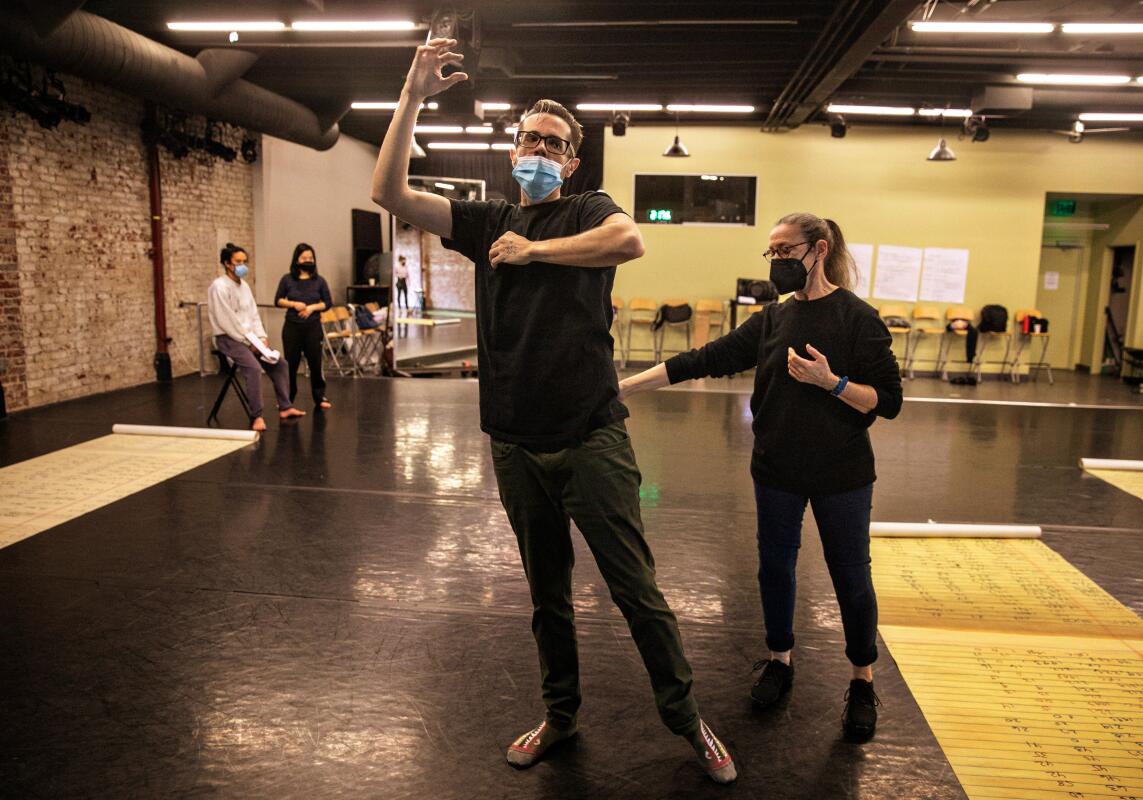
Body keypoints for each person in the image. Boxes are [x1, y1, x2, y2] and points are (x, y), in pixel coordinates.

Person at [370, 37, 736, 784]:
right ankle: (560, 715)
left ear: (571, 161)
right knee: (547, 599)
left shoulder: (587, 208)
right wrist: (409, 99)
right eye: (530, 138)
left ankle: (686, 719)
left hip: (591, 438)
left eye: (554, 143)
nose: (540, 149)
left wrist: (534, 254)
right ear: (513, 149)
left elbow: (629, 240)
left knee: (637, 592)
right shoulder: (485, 218)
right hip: (514, 443)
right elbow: (391, 195)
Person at [619, 213, 903, 742]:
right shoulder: (772, 320)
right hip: (776, 469)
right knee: (775, 568)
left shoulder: (858, 319)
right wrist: (624, 388)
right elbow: (705, 358)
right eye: (769, 253)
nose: (775, 263)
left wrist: (831, 382)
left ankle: (862, 678)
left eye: (783, 251)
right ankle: (780, 659)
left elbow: (888, 401)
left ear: (817, 250)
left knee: (851, 576)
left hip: (842, 474)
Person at [208, 243, 305, 431]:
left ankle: (285, 407)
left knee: (280, 364)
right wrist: (248, 342)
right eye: (238, 262)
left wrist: (261, 337)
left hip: (250, 338)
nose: (242, 265)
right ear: (228, 264)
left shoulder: (244, 286)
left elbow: (253, 314)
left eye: (245, 261)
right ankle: (256, 416)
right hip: (228, 338)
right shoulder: (219, 287)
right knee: (253, 369)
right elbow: (227, 320)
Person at [275, 243, 333, 410]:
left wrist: (311, 308)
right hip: (292, 327)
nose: (308, 261)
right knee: (290, 365)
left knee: (315, 363)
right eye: (304, 258)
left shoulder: (319, 281)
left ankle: (319, 396)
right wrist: (294, 304)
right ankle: (287, 398)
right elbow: (278, 300)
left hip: (313, 328)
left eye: (310, 258)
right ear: (297, 260)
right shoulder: (287, 279)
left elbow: (328, 303)